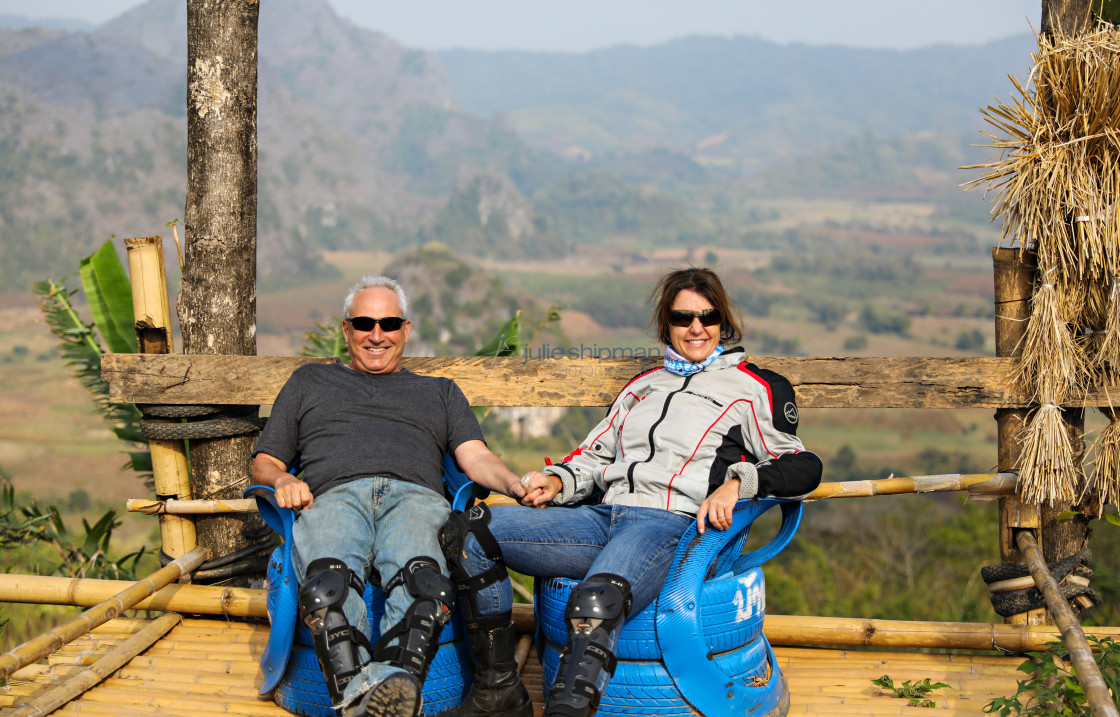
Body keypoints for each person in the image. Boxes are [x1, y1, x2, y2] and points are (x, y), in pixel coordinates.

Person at [439, 267, 823, 717]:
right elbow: (595, 455)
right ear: (666, 324)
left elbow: (802, 464)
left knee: (594, 604)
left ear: (724, 322)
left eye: (708, 316)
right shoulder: (641, 387)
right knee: (467, 535)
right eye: (683, 318)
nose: (696, 327)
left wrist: (739, 483)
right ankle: (497, 688)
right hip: (601, 520)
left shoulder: (755, 387)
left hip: (673, 527)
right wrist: (560, 480)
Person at [251, 275, 533, 717]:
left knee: (425, 587)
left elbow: (476, 457)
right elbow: (266, 460)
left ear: (405, 329)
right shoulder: (308, 382)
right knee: (327, 588)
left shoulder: (439, 392)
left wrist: (515, 484)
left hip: (415, 499)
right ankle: (379, 698)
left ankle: (367, 698)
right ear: (346, 330)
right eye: (364, 323)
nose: (376, 334)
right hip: (334, 498)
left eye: (388, 323)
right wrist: (283, 481)